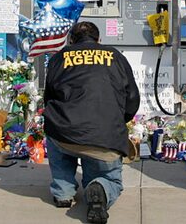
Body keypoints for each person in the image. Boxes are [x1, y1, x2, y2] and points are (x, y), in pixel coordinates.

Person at [43, 21, 140, 224]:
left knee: (55, 131)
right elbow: (132, 98)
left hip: (64, 133)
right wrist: (118, 123)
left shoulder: (59, 58)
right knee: (110, 178)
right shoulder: (115, 56)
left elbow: (49, 97)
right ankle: (101, 188)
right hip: (105, 137)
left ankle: (63, 193)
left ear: (71, 40)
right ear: (99, 40)